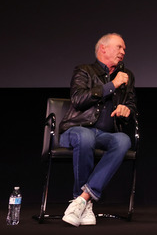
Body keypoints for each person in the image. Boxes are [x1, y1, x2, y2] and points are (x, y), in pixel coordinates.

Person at [58, 33, 137, 227]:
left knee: (123, 140)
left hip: (105, 134)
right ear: (103, 48)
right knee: (86, 136)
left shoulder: (127, 76)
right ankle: (84, 204)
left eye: (124, 49)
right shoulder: (84, 70)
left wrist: (126, 110)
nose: (123, 51)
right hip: (76, 130)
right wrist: (112, 85)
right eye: (119, 47)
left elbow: (131, 105)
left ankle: (82, 200)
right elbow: (79, 99)